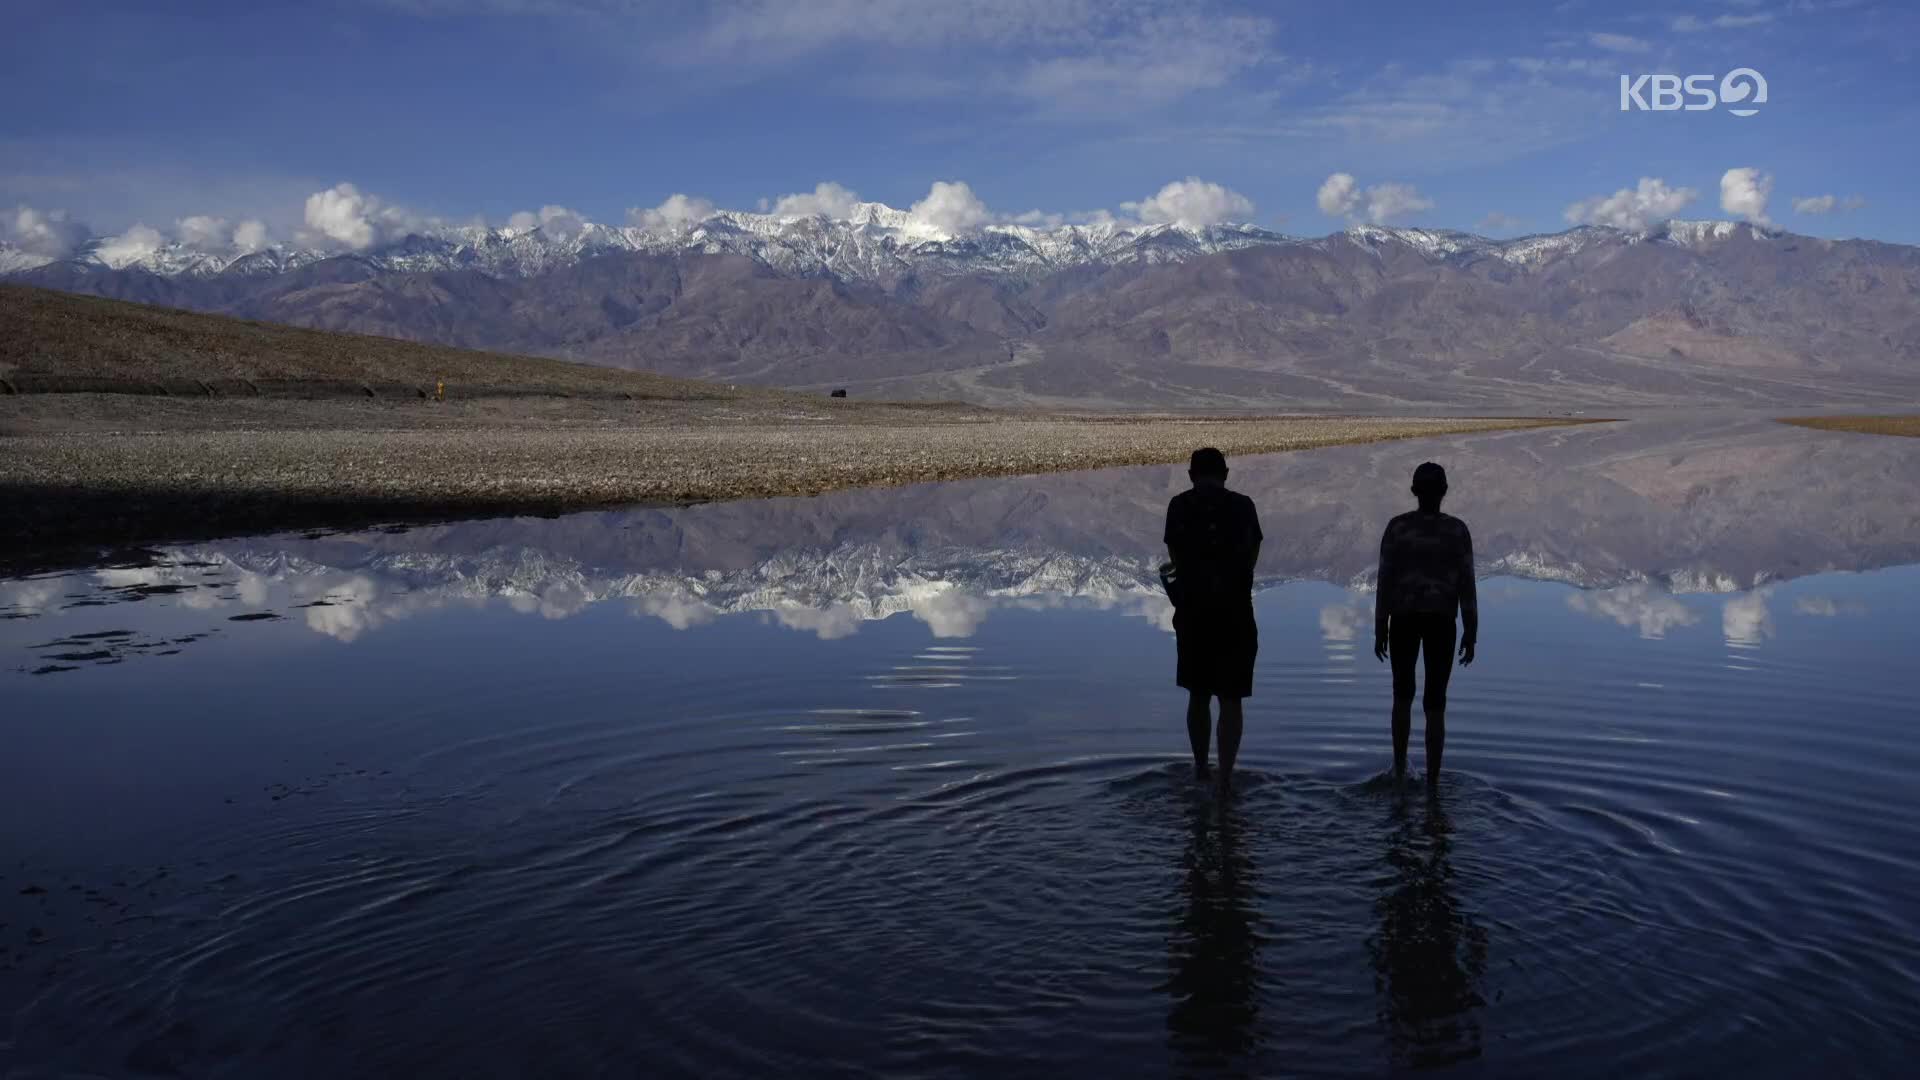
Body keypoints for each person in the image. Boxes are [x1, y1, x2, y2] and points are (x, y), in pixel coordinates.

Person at [1372, 462, 1477, 791]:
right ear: (1444, 491)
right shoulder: (1457, 531)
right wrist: (1471, 632)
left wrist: (1380, 626)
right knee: (1436, 702)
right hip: (1442, 623)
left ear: (1415, 491)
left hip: (1403, 620)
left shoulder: (1397, 528)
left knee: (1402, 696)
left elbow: (1384, 581)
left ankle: (1400, 768)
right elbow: (1467, 586)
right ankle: (1432, 781)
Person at [1164, 448, 1262, 791]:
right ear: (1226, 473)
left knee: (1198, 693)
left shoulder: (1179, 506)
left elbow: (1175, 557)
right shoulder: (1243, 506)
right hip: (1235, 614)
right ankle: (1226, 776)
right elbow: (1251, 560)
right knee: (1231, 698)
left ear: (1191, 475)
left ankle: (1201, 770)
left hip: (1193, 615)